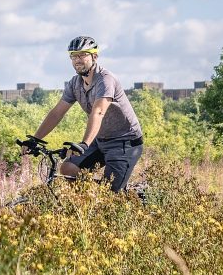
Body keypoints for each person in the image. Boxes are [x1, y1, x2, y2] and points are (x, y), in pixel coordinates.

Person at [22, 36, 144, 192]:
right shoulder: (75, 83)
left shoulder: (105, 80)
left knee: (111, 195)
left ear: (94, 56)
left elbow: (98, 112)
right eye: (73, 56)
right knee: (68, 168)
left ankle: (120, 194)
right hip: (100, 140)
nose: (77, 59)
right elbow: (57, 113)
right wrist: (35, 139)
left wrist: (84, 143)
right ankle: (94, 197)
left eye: (82, 55)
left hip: (125, 142)